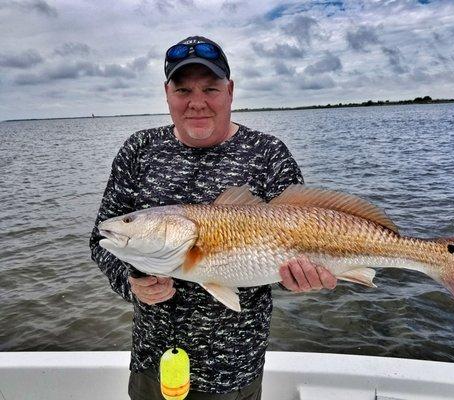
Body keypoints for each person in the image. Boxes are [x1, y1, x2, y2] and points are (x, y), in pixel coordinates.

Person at [90, 35, 337, 400]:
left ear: (230, 90)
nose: (197, 103)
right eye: (183, 90)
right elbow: (102, 239)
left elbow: (296, 246)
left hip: (235, 370)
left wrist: (301, 279)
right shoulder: (138, 150)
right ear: (167, 93)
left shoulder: (267, 154)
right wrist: (132, 284)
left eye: (210, 88)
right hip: (153, 364)